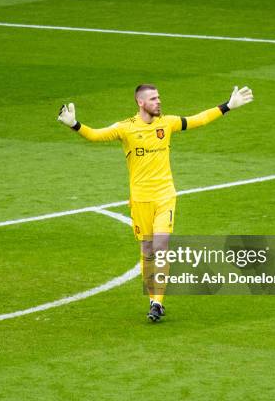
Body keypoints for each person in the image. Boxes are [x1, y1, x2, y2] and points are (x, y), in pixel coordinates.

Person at [57, 84, 253, 321]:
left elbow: (197, 120)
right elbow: (96, 135)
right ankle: (153, 300)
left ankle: (157, 303)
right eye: (153, 98)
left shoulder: (167, 123)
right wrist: (74, 125)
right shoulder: (125, 128)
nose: (159, 101)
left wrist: (228, 106)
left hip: (164, 196)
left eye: (159, 97)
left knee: (160, 247)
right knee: (147, 250)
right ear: (141, 103)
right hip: (140, 200)